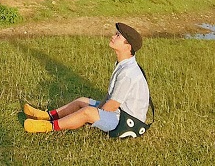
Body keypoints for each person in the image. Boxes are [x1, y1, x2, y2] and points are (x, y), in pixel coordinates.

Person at [22, 22, 150, 136]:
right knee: (81, 101)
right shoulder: (123, 64)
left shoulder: (128, 72)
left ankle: (48, 127)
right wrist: (98, 109)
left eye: (118, 36)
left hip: (128, 123)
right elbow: (111, 95)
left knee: (86, 112)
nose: (113, 36)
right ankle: (46, 116)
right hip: (120, 113)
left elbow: (112, 105)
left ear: (127, 47)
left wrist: (95, 114)